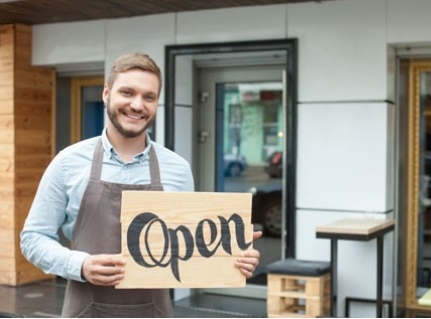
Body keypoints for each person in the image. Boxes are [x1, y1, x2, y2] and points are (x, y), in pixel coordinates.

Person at [20, 52, 261, 318]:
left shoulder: (178, 170)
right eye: (127, 92)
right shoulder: (68, 163)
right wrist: (80, 264)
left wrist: (231, 255)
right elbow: (33, 238)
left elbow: (187, 248)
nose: (137, 105)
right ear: (106, 94)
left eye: (149, 97)